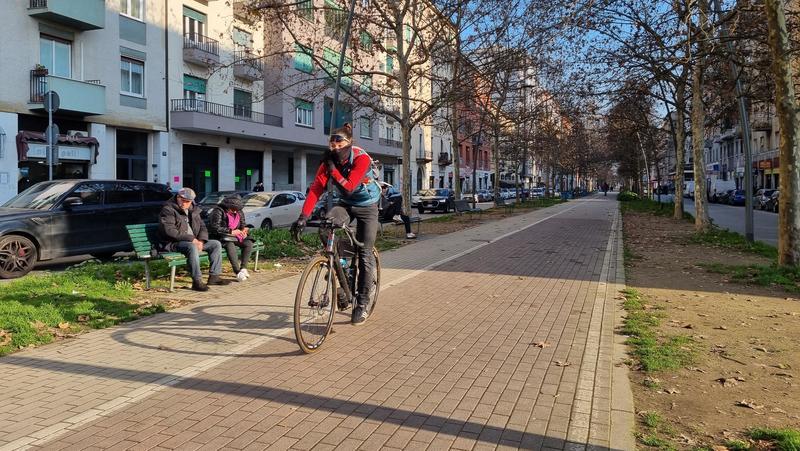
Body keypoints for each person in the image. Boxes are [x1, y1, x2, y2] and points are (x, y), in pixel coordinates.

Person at [290, 123, 380, 325]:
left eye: (339, 141)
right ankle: (343, 277)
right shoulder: (328, 162)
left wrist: (334, 171)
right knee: (326, 228)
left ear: (350, 142)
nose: (335, 146)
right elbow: (315, 189)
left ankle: (362, 303)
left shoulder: (361, 158)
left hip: (367, 205)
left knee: (365, 255)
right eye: (332, 142)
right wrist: (303, 217)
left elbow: (349, 187)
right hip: (346, 204)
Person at [157, 187, 231, 292]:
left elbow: (202, 227)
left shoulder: (194, 209)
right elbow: (169, 231)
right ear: (178, 197)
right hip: (173, 243)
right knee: (191, 247)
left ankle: (214, 277)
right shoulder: (168, 209)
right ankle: (197, 281)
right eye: (182, 200)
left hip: (194, 241)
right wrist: (192, 239)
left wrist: (201, 240)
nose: (185, 204)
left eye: (187, 202)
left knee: (215, 244)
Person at [207, 194, 254, 282]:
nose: (235, 212)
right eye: (233, 210)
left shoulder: (239, 211)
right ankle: (237, 271)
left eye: (237, 210)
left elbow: (243, 224)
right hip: (221, 237)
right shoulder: (218, 211)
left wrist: (244, 230)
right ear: (228, 207)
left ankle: (243, 268)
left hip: (236, 236)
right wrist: (230, 231)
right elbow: (214, 228)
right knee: (230, 245)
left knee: (248, 243)